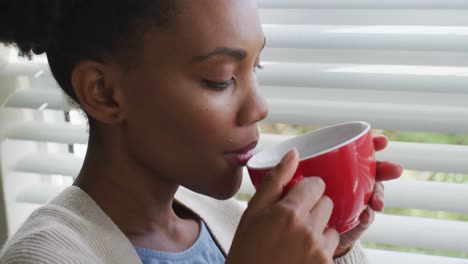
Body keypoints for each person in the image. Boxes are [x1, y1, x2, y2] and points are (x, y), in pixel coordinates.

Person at [0, 0, 402, 263]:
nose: (260, 108)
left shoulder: (231, 223)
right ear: (104, 92)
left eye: (255, 68)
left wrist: (333, 244)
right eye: (221, 79)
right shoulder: (47, 257)